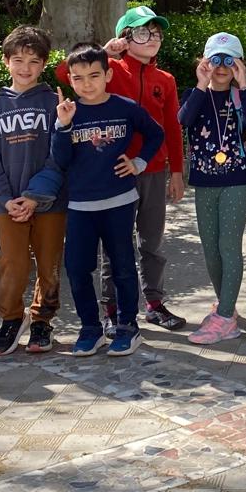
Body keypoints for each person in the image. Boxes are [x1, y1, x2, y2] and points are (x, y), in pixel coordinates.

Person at [58, 5, 187, 333]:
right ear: (125, 38)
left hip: (153, 171)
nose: (152, 38)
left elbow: (171, 128)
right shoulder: (109, 69)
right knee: (114, 246)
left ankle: (154, 303)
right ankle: (112, 308)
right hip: (113, 173)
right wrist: (104, 50)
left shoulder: (165, 79)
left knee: (151, 241)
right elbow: (63, 72)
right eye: (142, 32)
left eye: (156, 32)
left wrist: (176, 171)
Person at [51, 43, 164, 357]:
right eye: (78, 78)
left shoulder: (125, 107)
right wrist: (62, 126)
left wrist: (139, 162)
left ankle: (128, 327)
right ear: (70, 80)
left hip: (119, 202)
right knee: (77, 268)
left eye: (94, 75)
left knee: (123, 266)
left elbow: (156, 134)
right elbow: (60, 159)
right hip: (80, 206)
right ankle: (91, 328)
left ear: (108, 75)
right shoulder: (67, 113)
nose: (86, 84)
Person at [0, 26, 67, 357]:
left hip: (50, 203)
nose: (25, 68)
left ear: (43, 63)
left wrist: (35, 196)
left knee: (49, 264)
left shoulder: (54, 102)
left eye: (33, 61)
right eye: (18, 60)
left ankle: (42, 321)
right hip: (8, 206)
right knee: (11, 265)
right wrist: (6, 200)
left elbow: (60, 155)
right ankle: (11, 319)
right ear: (6, 61)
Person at [179, 32, 246, 345]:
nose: (222, 67)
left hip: (237, 181)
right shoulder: (194, 94)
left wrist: (244, 82)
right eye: (216, 60)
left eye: (229, 61)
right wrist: (202, 83)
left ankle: (225, 317)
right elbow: (184, 119)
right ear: (204, 62)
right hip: (204, 182)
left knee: (228, 245)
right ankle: (226, 306)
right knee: (210, 249)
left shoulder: (241, 96)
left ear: (239, 64)